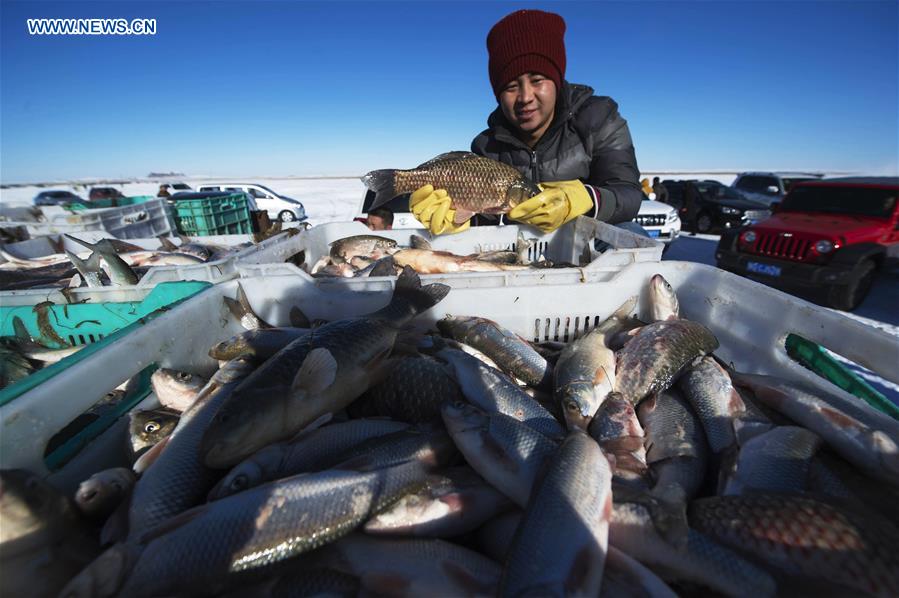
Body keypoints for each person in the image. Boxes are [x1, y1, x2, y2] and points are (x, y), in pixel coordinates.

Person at [410, 9, 642, 235]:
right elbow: (485, 221)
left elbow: (628, 194)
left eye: (537, 80)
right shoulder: (486, 146)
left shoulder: (598, 117)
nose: (525, 97)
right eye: (511, 86)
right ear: (498, 94)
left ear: (556, 80)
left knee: (632, 231)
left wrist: (587, 198)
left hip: (584, 241)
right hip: (522, 251)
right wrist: (456, 222)